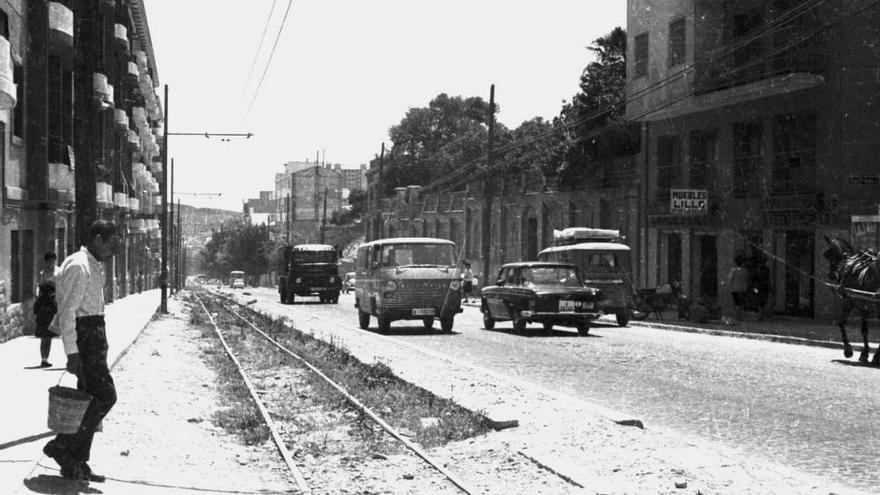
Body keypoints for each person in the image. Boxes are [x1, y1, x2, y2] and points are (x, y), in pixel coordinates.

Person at [43, 220, 121, 482]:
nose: (114, 250)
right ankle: (62, 446)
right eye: (112, 243)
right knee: (104, 397)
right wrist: (72, 352)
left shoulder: (92, 264)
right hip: (85, 338)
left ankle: (75, 461)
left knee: (89, 400)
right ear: (98, 239)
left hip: (94, 335)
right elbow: (67, 313)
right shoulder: (79, 265)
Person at [33, 251, 61, 367]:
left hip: (54, 305)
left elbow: (60, 288)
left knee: (53, 333)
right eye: (49, 261)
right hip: (44, 305)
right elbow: (37, 288)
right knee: (44, 335)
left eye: (52, 261)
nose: (51, 264)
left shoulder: (59, 272)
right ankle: (44, 359)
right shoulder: (42, 273)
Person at [726, 255, 749, 324]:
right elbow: (747, 279)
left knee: (736, 303)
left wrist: (728, 286)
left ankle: (736, 316)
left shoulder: (733, 271)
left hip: (734, 289)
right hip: (742, 289)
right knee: (741, 303)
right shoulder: (745, 271)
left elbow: (730, 279)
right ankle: (739, 316)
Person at [750, 253, 772, 320]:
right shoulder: (765, 269)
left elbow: (753, 279)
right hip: (762, 287)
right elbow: (767, 278)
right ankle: (761, 315)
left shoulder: (757, 269)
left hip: (759, 287)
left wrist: (754, 288)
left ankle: (760, 315)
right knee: (762, 302)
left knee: (759, 301)